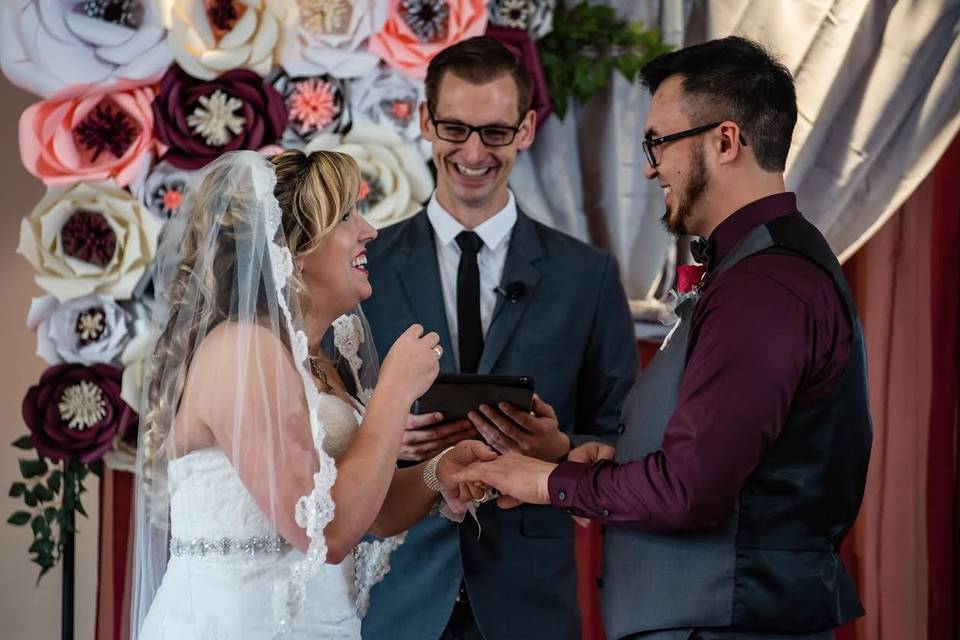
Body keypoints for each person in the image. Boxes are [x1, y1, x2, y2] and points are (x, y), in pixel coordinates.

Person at [454, 36, 873, 640]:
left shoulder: (767, 286)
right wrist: (598, 458)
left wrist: (540, 481)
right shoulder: (751, 270)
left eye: (658, 143)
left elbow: (690, 490)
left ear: (725, 141)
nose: (649, 166)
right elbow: (724, 459)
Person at [130, 149, 497, 640]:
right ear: (294, 247)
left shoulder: (320, 360)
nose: (369, 230)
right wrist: (392, 391)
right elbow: (325, 531)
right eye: (346, 216)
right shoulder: (243, 350)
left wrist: (437, 470)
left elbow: (371, 508)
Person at [361, 37, 638, 640]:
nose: (473, 152)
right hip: (395, 594)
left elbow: (625, 436)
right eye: (455, 129)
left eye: (495, 132)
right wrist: (381, 434)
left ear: (527, 129)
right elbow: (315, 426)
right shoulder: (364, 269)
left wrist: (560, 448)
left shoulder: (586, 277)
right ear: (425, 123)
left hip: (530, 601)